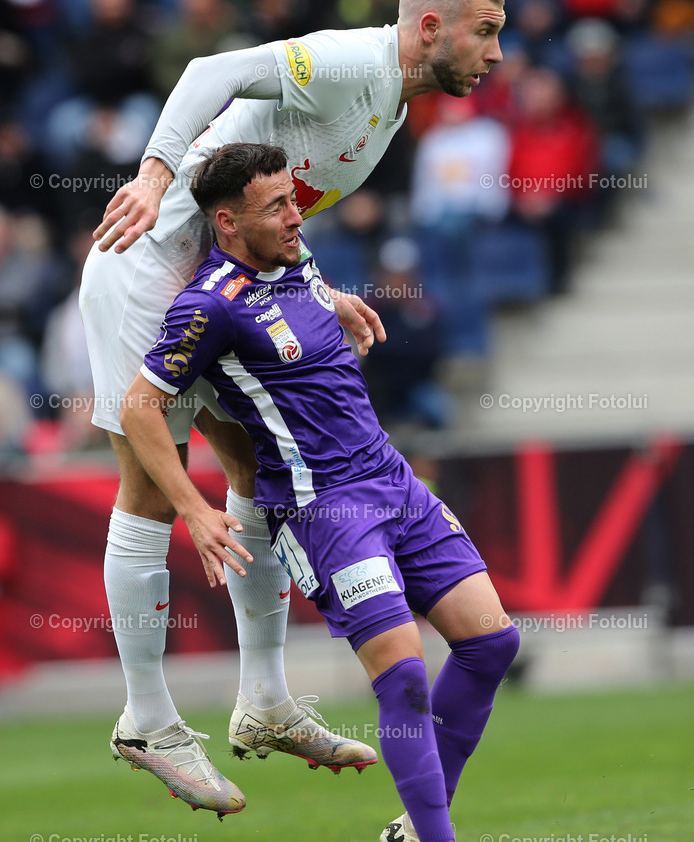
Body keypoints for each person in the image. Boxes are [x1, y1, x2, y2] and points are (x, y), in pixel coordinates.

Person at [79, 0, 506, 812]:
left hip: (220, 281)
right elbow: (212, 69)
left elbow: (281, 207)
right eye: (486, 32)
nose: (496, 54)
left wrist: (316, 288)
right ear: (431, 27)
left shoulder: (391, 109)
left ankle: (265, 699)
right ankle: (148, 717)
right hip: (146, 263)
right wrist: (157, 172)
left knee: (254, 463)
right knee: (154, 487)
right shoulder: (353, 63)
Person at [120, 141, 520, 839]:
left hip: (392, 478)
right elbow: (138, 408)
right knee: (403, 677)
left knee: (492, 644)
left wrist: (335, 300)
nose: (296, 215)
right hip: (323, 509)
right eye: (276, 205)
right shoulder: (209, 308)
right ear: (227, 222)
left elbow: (299, 299)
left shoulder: (297, 261)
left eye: (293, 198)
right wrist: (193, 508)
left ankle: (418, 827)